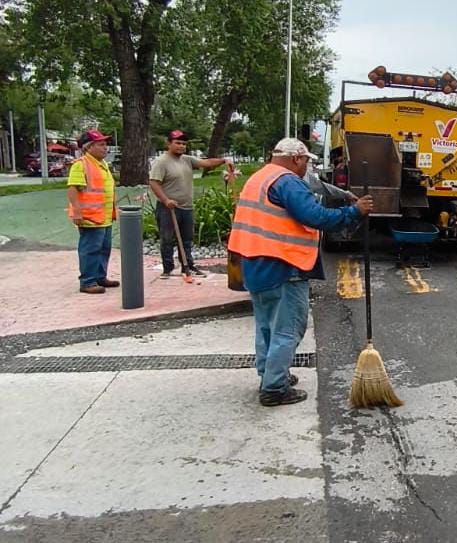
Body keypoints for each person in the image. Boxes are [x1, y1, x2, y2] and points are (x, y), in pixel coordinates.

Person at [228, 138, 373, 407]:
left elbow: (316, 188)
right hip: (283, 265)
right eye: (306, 160)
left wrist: (343, 195)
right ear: (296, 158)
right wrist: (354, 211)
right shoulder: (288, 181)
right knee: (287, 329)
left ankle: (269, 374)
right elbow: (315, 216)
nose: (307, 166)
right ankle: (274, 388)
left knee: (265, 327)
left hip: (254, 264)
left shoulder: (261, 176)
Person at [149, 130, 233, 278]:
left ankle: (188, 266)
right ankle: (167, 269)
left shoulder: (187, 160)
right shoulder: (161, 162)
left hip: (186, 207)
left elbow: (206, 163)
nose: (181, 146)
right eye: (178, 143)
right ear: (169, 144)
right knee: (167, 239)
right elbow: (154, 183)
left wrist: (223, 160)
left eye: (184, 144)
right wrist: (166, 200)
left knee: (187, 239)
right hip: (168, 208)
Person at [66, 130, 119, 294]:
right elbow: (73, 188)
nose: (106, 148)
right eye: (101, 145)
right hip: (90, 217)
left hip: (104, 217)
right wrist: (76, 211)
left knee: (104, 249)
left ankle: (99, 277)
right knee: (90, 249)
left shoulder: (102, 164)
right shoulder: (81, 164)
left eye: (106, 144)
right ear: (89, 147)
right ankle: (88, 281)